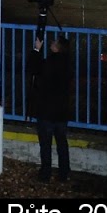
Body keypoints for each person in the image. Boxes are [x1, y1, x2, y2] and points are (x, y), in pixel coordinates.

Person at [29, 34, 72, 182]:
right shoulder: (67, 64)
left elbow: (34, 68)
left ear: (57, 48)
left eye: (54, 42)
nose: (52, 43)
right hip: (62, 111)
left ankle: (45, 173)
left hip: (46, 110)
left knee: (46, 144)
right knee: (62, 142)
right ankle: (64, 172)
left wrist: (37, 49)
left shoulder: (50, 62)